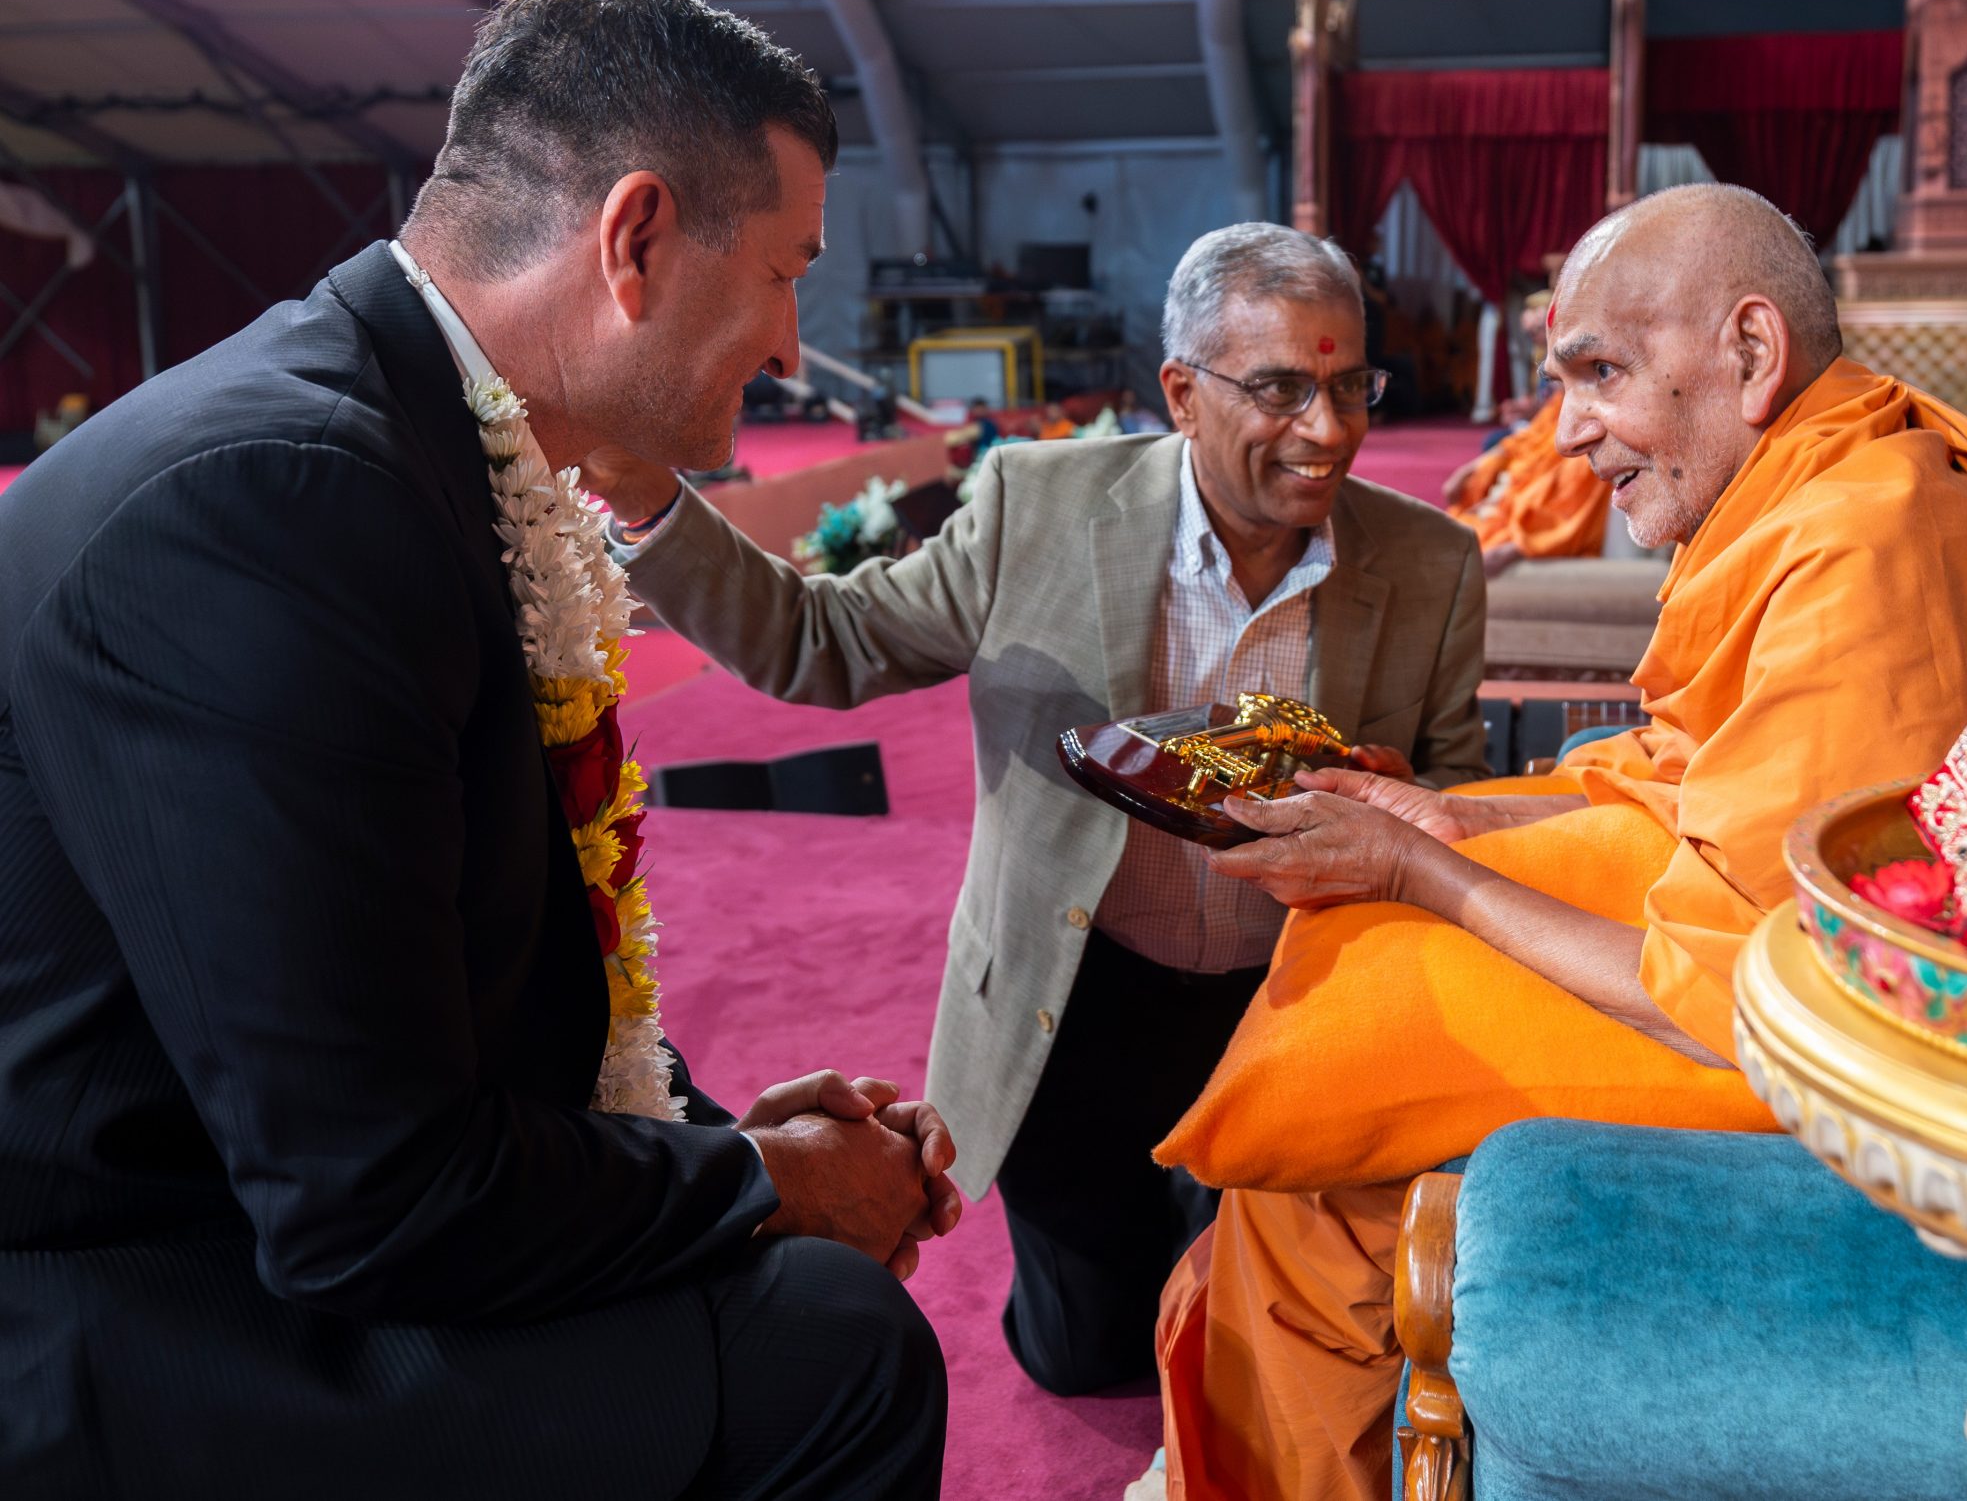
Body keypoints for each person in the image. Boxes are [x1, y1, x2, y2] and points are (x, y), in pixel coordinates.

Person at [0, 0, 960, 1501]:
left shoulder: (406, 434)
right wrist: (757, 1189)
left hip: (248, 1194)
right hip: (132, 1288)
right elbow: (364, 1200)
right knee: (833, 1346)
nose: (792, 343)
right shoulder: (277, 501)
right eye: (786, 273)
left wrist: (704, 1133)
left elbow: (451, 987)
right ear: (635, 236)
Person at [1148, 184, 1967, 1501]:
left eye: (1601, 372)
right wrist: (1458, 814)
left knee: (1343, 1054)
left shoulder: (1869, 537)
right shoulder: (1828, 478)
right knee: (1356, 971)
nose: (1568, 433)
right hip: (1789, 963)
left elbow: (1740, 996)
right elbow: (1690, 774)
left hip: (1855, 1038)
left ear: (1750, 353)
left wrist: (1421, 867)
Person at [579, 222, 1490, 1399]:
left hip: (1294, 1005)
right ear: (1181, 392)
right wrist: (650, 505)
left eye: (1347, 385)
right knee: (1086, 1357)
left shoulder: (1430, 563)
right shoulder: (1037, 503)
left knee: (1261, 1359)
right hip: (1077, 997)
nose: (1327, 432)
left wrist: (1409, 808)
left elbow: (1460, 786)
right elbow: (823, 641)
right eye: (1278, 389)